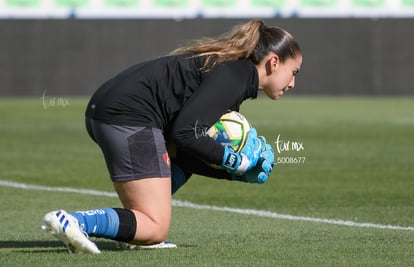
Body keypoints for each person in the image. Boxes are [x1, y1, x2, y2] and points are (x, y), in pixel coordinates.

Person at [41, 20, 302, 254]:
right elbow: (186, 133)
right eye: (294, 72)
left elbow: (188, 150)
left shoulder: (234, 72)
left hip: (112, 110)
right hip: (127, 116)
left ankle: (131, 234)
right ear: (274, 62)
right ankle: (74, 221)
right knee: (155, 228)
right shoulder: (236, 76)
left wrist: (233, 173)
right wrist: (239, 162)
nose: (292, 83)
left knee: (173, 174)